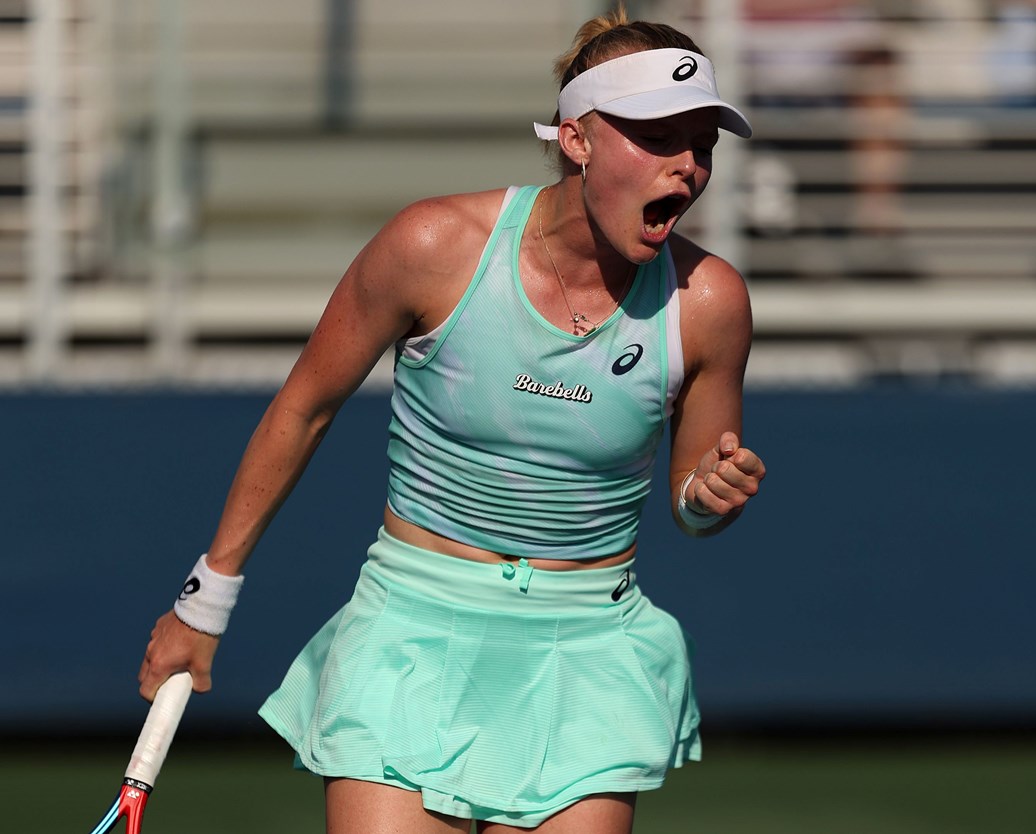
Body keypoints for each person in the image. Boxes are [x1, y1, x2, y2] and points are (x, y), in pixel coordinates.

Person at [138, 7, 766, 833]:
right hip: (410, 634)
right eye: (657, 137)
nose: (686, 167)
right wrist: (202, 603)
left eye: (702, 145)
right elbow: (303, 409)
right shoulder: (432, 244)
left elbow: (691, 501)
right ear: (577, 138)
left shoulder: (710, 302)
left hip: (587, 654)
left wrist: (708, 498)